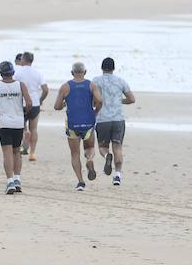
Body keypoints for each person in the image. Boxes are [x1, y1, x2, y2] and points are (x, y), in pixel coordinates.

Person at [53, 62, 104, 190]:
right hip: (88, 122)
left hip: (72, 124)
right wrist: (96, 112)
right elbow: (100, 100)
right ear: (85, 72)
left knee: (75, 153)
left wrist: (64, 104)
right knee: (90, 147)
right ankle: (89, 159)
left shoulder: (65, 87)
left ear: (72, 73)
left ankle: (81, 182)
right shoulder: (91, 85)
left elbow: (56, 106)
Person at [0, 60, 33, 194]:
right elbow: (29, 103)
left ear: (1, 73)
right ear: (13, 72)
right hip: (18, 122)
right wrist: (23, 110)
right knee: (17, 152)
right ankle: (18, 178)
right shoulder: (20, 85)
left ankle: (10, 181)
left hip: (4, 122)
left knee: (7, 153)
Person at [92, 57, 134, 186]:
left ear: (102, 68)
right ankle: (117, 175)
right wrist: (119, 101)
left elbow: (94, 100)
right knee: (118, 147)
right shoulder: (121, 81)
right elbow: (131, 99)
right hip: (118, 119)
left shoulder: (95, 81)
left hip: (102, 119)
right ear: (114, 68)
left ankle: (106, 157)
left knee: (103, 147)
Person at [14, 52, 48, 160]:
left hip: (21, 103)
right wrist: (41, 99)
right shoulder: (38, 73)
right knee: (34, 129)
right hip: (34, 103)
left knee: (21, 128)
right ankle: (32, 153)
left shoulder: (18, 72)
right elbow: (45, 89)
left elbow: (12, 85)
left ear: (23, 59)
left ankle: (24, 136)